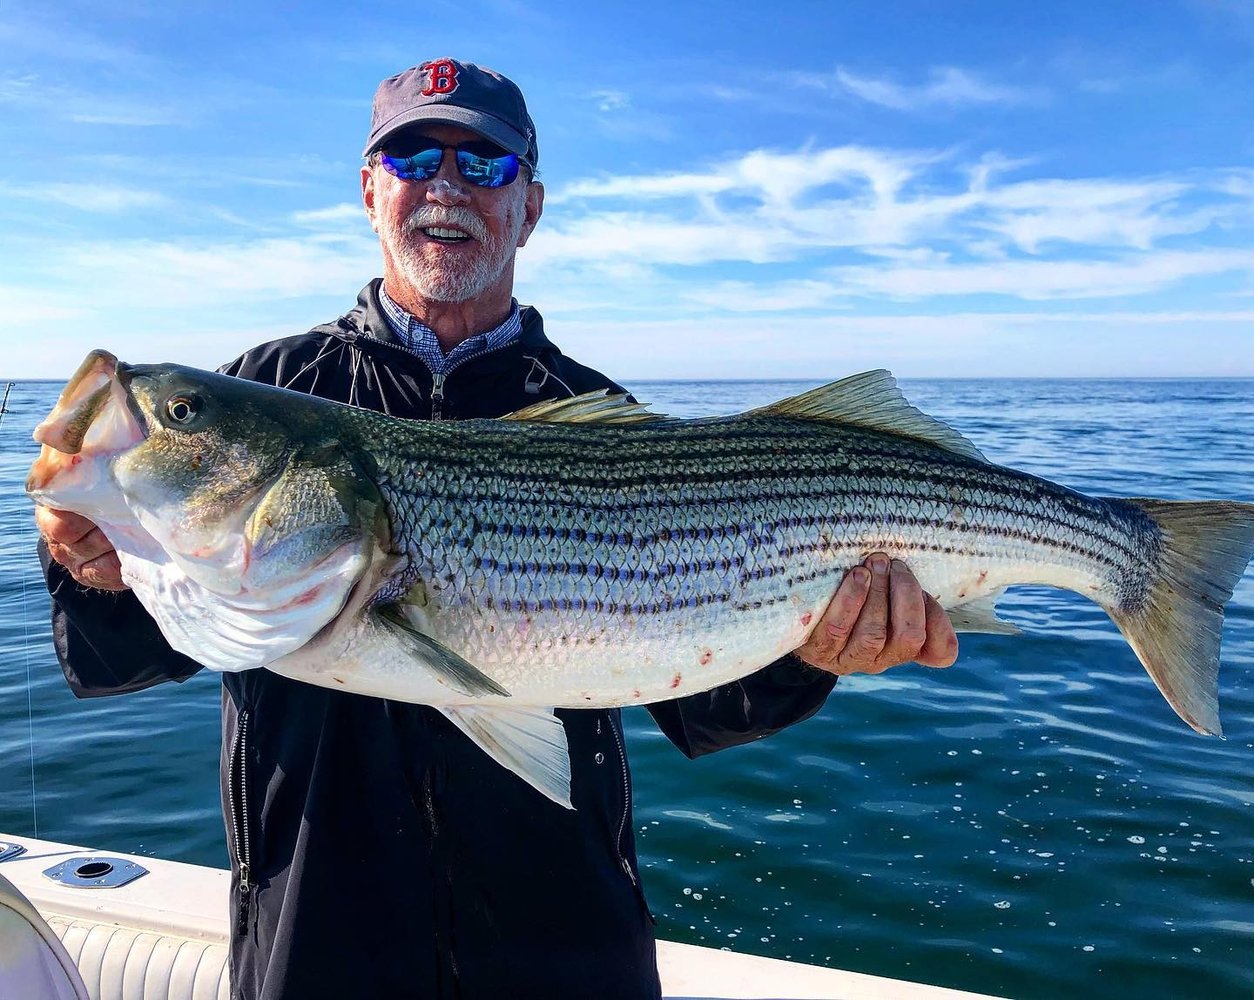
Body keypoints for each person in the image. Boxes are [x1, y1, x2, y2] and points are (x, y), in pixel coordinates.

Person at [35, 59, 957, 1000]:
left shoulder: (600, 415)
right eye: (411, 155)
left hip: (563, 940)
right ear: (369, 189)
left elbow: (707, 711)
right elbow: (121, 661)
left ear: (530, 205)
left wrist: (817, 652)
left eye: (486, 162)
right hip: (316, 936)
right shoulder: (274, 387)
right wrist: (100, 569)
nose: (445, 182)